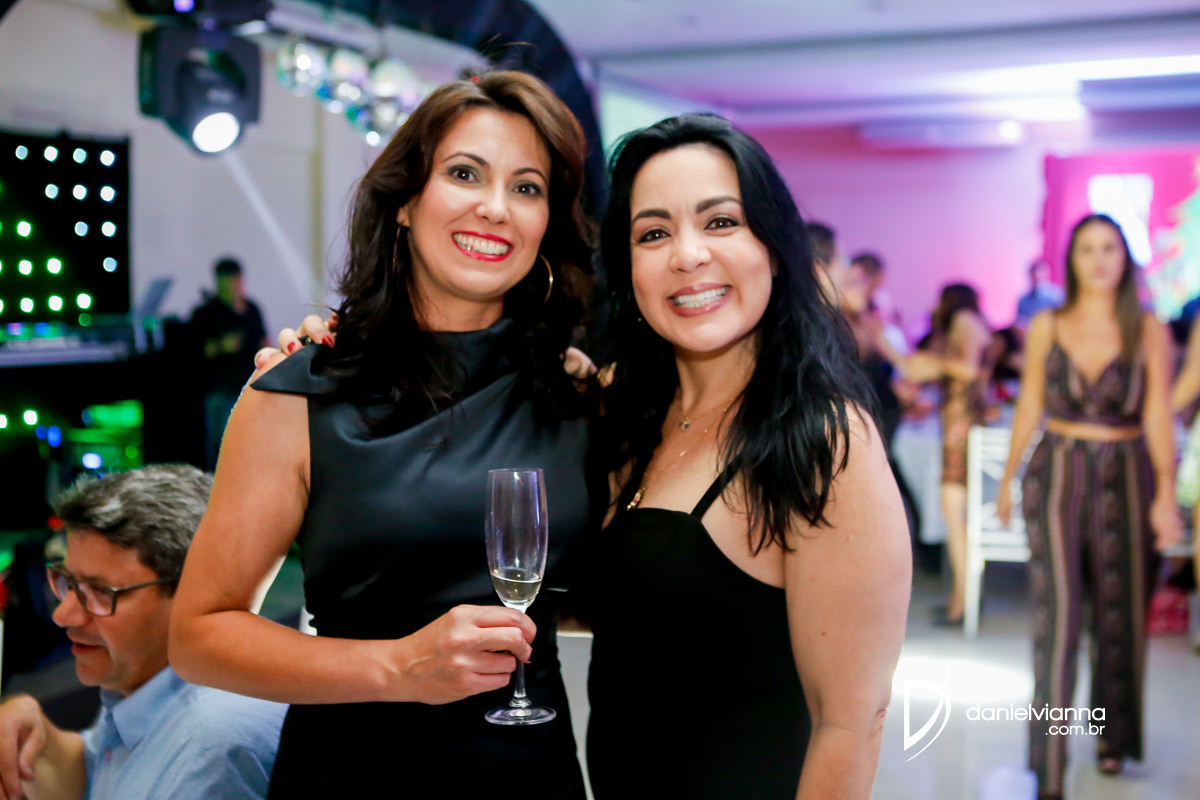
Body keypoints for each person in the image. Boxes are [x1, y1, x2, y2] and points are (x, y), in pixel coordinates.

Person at [168, 72, 595, 798]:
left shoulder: (574, 394)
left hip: (532, 777)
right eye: (465, 174)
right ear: (403, 200)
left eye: (526, 187)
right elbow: (198, 636)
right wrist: (397, 667)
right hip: (352, 774)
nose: (495, 208)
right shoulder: (299, 391)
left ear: (547, 223)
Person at [576, 115, 911, 799]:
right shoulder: (624, 413)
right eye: (653, 233)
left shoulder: (824, 441)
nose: (687, 255)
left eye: (721, 222)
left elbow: (850, 725)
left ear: (775, 247)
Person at [995, 214, 1181, 799]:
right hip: (1057, 475)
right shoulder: (1047, 325)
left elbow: (1157, 413)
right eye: (1086, 250)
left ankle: (1112, 737)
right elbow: (1030, 404)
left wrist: (1166, 496)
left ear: (1125, 258)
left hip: (1129, 475)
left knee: (1120, 616)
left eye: (1109, 248)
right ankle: (1048, 764)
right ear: (1071, 261)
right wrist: (1007, 478)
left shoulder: (1147, 328)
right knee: (1058, 621)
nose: (1099, 260)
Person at [0, 465, 285, 800]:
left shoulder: (210, 747)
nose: (63, 616)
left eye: (100, 591)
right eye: (69, 582)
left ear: (195, 594)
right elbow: (101, 770)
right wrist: (38, 732)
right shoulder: (151, 675)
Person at [887, 284, 992, 625]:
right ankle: (962, 597)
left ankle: (963, 602)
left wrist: (937, 362)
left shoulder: (964, 320)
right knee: (956, 516)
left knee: (955, 515)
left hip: (960, 432)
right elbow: (917, 370)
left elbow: (967, 369)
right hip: (960, 429)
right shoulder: (969, 324)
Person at [187, 258, 270, 469]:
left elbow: (264, 341)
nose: (230, 289)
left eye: (233, 282)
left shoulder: (252, 309)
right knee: (221, 446)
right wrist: (221, 346)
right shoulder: (206, 313)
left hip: (251, 387)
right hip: (220, 391)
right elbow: (195, 351)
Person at [1015, 259, 1065, 328]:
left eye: (1040, 274)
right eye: (1034, 275)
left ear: (1047, 274)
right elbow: (1019, 322)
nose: (1036, 277)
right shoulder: (1023, 300)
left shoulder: (1058, 296)